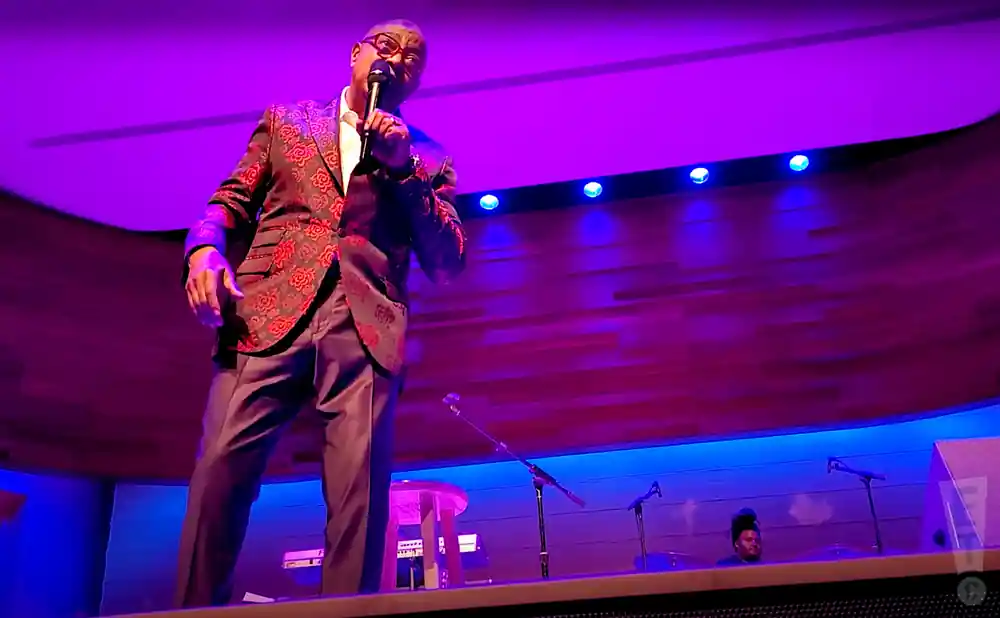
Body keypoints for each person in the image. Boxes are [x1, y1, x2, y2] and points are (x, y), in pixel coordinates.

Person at [175, 19, 466, 607]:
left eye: (413, 59)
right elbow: (228, 200)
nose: (397, 60)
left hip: (363, 330)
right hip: (265, 316)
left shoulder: (427, 157)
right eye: (386, 47)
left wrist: (403, 168)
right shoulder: (287, 122)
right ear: (356, 54)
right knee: (217, 480)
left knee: (358, 500)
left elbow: (448, 260)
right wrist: (204, 250)